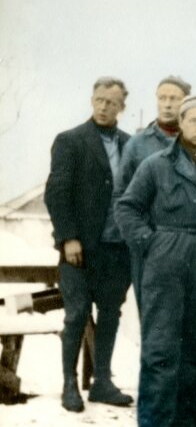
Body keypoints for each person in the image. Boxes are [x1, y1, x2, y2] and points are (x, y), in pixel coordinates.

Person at [115, 95, 196, 427]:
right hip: (165, 258)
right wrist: (149, 243)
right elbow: (127, 207)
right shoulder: (156, 165)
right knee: (161, 346)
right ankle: (157, 421)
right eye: (193, 120)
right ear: (181, 123)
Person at [43, 77, 134, 413]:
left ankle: (102, 382)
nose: (103, 107)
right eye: (98, 100)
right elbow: (56, 193)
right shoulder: (70, 141)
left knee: (110, 313)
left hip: (118, 247)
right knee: (77, 313)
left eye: (111, 102)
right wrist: (68, 238)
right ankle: (69, 383)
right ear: (91, 100)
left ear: (121, 107)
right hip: (79, 248)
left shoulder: (130, 144)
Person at [115, 74, 191, 306]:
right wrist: (143, 239)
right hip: (150, 249)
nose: (167, 104)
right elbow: (121, 196)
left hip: (190, 249)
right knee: (154, 320)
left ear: (186, 103)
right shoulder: (138, 145)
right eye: (162, 98)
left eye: (174, 99)